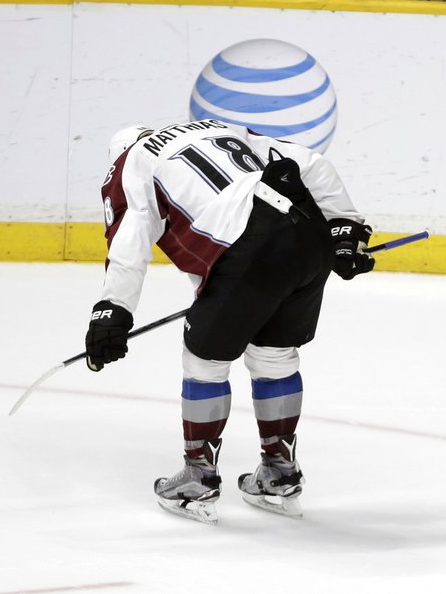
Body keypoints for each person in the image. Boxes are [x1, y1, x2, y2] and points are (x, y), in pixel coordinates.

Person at [84, 118, 374, 524]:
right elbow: (311, 163)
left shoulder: (132, 162)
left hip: (248, 245)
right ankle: (279, 473)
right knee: (275, 355)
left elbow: (130, 240)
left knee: (205, 360)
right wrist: (345, 228)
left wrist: (112, 311)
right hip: (307, 233)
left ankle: (197, 481)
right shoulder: (215, 128)